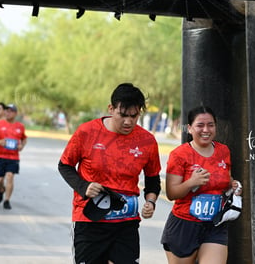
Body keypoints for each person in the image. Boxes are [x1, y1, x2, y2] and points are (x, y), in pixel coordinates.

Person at [58, 83, 161, 264]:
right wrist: (84, 186)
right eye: (122, 115)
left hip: (126, 223)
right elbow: (64, 165)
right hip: (90, 221)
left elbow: (153, 179)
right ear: (111, 109)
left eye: (134, 116)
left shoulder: (147, 141)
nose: (128, 121)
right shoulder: (87, 132)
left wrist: (151, 201)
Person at [161, 106, 242, 264]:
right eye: (200, 125)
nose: (206, 129)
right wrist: (191, 182)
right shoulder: (179, 155)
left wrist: (233, 185)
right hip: (184, 225)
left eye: (211, 125)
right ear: (190, 128)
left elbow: (226, 180)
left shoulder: (223, 151)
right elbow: (171, 193)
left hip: (214, 225)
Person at [0, 104, 27, 209]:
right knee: (0, 180)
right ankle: (1, 190)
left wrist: (21, 146)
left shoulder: (20, 126)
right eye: (7, 111)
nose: (8, 113)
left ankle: (7, 200)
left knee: (10, 177)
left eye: (11, 111)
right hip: (0, 156)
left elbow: (24, 139)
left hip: (13, 158)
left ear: (15, 113)